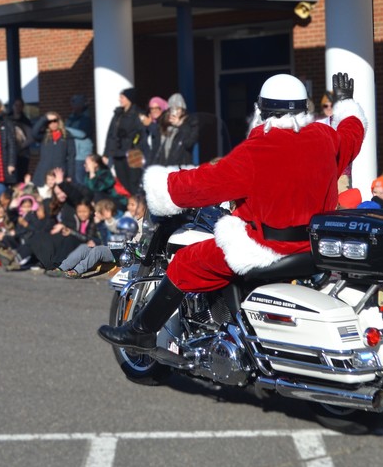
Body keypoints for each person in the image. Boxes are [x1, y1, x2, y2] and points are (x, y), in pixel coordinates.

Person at [98, 72, 364, 351]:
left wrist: (163, 186)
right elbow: (352, 135)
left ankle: (141, 331)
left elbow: (207, 182)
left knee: (188, 260)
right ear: (303, 107)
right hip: (310, 247)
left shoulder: (258, 149)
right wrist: (345, 103)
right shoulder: (326, 139)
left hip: (265, 247)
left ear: (262, 109)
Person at [103, 87, 144, 194]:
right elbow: (110, 134)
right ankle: (129, 206)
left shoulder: (137, 114)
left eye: (122, 97)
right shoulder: (118, 114)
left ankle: (138, 206)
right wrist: (106, 153)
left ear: (129, 99)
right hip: (118, 152)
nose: (119, 99)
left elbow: (141, 133)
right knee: (122, 182)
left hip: (133, 153)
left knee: (135, 182)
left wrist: (133, 143)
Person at [151, 93, 199, 167]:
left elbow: (189, 143)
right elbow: (160, 150)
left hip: (182, 168)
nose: (174, 112)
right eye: (172, 109)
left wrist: (180, 125)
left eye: (177, 108)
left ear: (183, 110)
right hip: (166, 169)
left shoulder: (191, 124)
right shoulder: (167, 126)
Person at [31, 111, 76, 186]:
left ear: (59, 122)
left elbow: (71, 156)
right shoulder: (44, 135)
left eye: (55, 121)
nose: (53, 124)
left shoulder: (67, 136)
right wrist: (44, 119)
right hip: (43, 173)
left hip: (59, 173)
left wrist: (70, 175)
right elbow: (34, 133)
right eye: (50, 122)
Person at [66, 94, 94, 185]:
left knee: (80, 182)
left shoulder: (87, 118)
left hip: (82, 155)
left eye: (76, 103)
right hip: (72, 155)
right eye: (72, 103)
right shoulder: (71, 118)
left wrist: (65, 129)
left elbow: (82, 133)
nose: (73, 106)